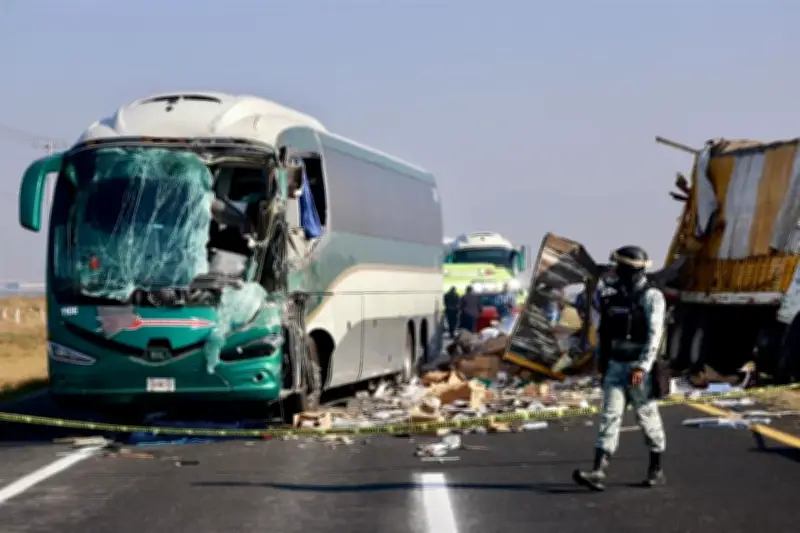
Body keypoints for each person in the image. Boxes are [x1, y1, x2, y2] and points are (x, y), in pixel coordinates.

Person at [573, 245, 667, 491]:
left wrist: (642, 367)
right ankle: (598, 471)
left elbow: (655, 336)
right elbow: (604, 334)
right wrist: (602, 365)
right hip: (615, 366)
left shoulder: (651, 297)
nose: (614, 271)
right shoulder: (611, 297)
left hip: (637, 369)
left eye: (619, 267)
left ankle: (656, 468)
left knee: (647, 418)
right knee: (609, 417)